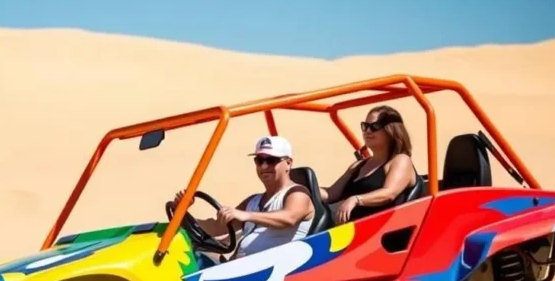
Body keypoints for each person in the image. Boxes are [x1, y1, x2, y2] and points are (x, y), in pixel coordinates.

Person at [174, 135, 314, 260]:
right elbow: (218, 227)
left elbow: (289, 218)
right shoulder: (254, 201)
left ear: (288, 163)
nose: (264, 166)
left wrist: (246, 215)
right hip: (241, 273)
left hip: (276, 279)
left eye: (271, 160)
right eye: (259, 161)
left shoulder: (298, 194)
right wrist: (181, 213)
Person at [319, 105, 418, 223]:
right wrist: (302, 187)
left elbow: (389, 193)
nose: (367, 131)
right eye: (365, 126)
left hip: (380, 232)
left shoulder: (400, 160)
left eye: (375, 126)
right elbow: (330, 194)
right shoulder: (357, 166)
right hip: (348, 231)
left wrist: (356, 199)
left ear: (391, 130)